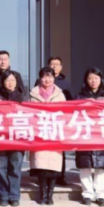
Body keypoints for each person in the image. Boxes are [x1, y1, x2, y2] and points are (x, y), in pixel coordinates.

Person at [29, 67, 66, 206]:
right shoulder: (33, 94)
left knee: (53, 166)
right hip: (39, 133)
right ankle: (42, 194)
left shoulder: (60, 95)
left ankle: (50, 195)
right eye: (44, 77)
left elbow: (65, 113)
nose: (47, 79)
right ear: (40, 78)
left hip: (55, 133)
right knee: (41, 166)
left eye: (50, 76)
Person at [75, 67, 104, 207]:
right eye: (90, 78)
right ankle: (87, 194)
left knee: (101, 166)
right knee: (85, 166)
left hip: (102, 134)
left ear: (101, 80)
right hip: (84, 134)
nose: (93, 81)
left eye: (96, 78)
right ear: (86, 80)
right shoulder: (79, 96)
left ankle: (100, 194)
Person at [0, 71, 26, 207]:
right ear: (3, 82)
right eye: (7, 80)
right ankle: (3, 195)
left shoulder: (23, 97)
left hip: (17, 138)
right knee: (1, 167)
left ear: (16, 82)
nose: (10, 83)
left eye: (13, 80)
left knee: (15, 168)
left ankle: (14, 195)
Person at [43, 57, 73, 186]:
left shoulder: (66, 83)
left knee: (60, 150)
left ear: (61, 67)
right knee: (44, 150)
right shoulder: (41, 81)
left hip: (59, 121)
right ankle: (43, 175)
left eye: (57, 64)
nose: (54, 67)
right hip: (44, 121)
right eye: (52, 64)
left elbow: (70, 101)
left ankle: (60, 175)